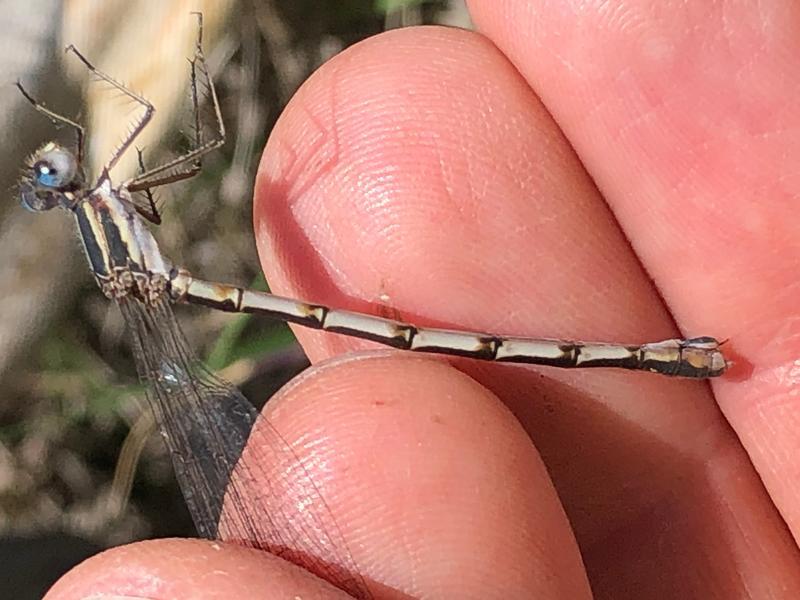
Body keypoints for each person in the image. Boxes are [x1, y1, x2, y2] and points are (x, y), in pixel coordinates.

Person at [45, 2, 800, 598]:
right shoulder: (115, 228)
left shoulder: (106, 207)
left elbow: (189, 148)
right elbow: (184, 141)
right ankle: (658, 360)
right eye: (57, 176)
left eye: (56, 169)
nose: (64, 170)